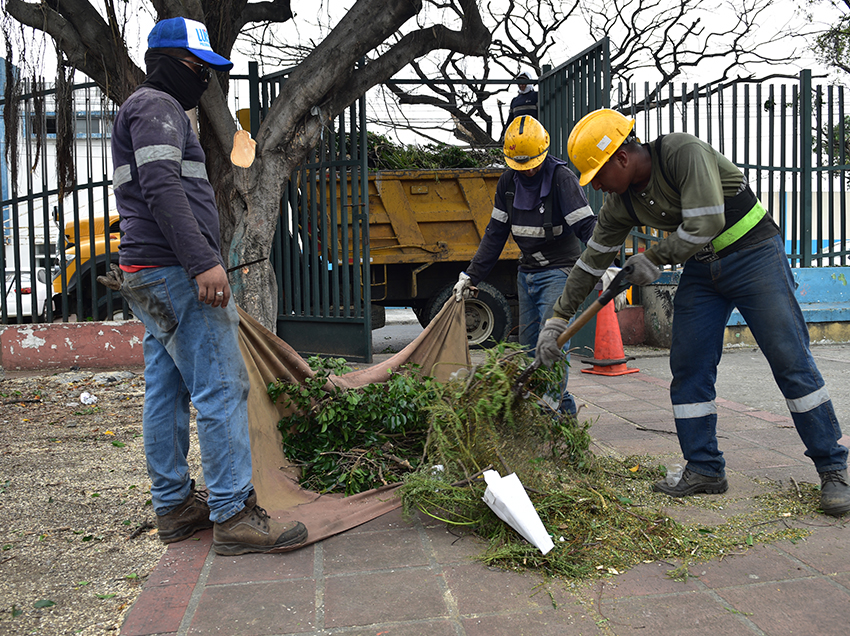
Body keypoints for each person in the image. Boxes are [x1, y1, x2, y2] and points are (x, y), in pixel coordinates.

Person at [536, 108, 849, 516]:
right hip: (702, 268)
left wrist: (655, 258)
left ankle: (833, 469)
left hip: (754, 255)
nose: (597, 187)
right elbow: (591, 261)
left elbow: (707, 220)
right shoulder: (621, 203)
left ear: (622, 158)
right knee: (689, 366)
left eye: (598, 175)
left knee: (790, 359)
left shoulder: (681, 151)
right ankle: (704, 468)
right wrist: (557, 319)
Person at [112, 17, 309, 554]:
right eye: (200, 69)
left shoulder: (147, 109)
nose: (207, 80)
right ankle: (233, 513)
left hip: (147, 271)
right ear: (172, 63)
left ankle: (174, 507)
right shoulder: (159, 108)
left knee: (168, 388)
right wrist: (203, 262)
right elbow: (161, 186)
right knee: (221, 385)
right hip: (176, 270)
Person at [454, 115, 596, 416]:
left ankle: (547, 413)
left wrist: (608, 265)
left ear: (542, 153)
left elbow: (587, 227)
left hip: (559, 271)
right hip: (528, 272)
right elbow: (495, 234)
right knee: (531, 349)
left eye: (531, 163)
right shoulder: (508, 183)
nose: (527, 170)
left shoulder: (562, 179)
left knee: (551, 345)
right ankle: (562, 410)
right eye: (519, 164)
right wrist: (471, 274)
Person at [501, 71, 538, 139]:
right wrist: (505, 134)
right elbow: (510, 119)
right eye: (519, 83)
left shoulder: (536, 96)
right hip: (517, 135)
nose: (521, 85)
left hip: (534, 133)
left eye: (524, 83)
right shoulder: (515, 101)